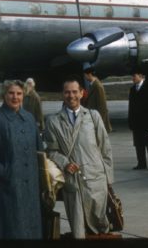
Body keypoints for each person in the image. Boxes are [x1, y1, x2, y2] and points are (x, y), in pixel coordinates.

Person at [44, 76, 114, 238]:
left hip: (96, 180)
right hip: (73, 182)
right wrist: (65, 163)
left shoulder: (93, 116)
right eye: (67, 92)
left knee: (101, 227)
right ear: (62, 94)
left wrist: (108, 180)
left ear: (82, 93)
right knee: (79, 230)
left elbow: (105, 149)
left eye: (75, 92)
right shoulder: (53, 121)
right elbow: (52, 151)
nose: (71, 96)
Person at [0, 80, 43, 240]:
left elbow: (39, 151)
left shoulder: (29, 119)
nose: (15, 97)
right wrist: (5, 172)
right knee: (8, 229)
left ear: (24, 95)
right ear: (4, 95)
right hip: (5, 189)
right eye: (11, 93)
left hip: (30, 189)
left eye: (19, 94)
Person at [128, 67, 148, 170]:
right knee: (139, 144)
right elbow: (131, 107)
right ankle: (141, 163)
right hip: (137, 123)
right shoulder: (133, 89)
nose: (133, 78)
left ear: (141, 76)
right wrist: (130, 121)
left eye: (134, 76)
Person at [83, 66, 113, 133]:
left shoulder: (98, 86)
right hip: (93, 117)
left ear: (90, 74)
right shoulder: (92, 84)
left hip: (97, 119)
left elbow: (102, 105)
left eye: (85, 75)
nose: (85, 77)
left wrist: (100, 121)